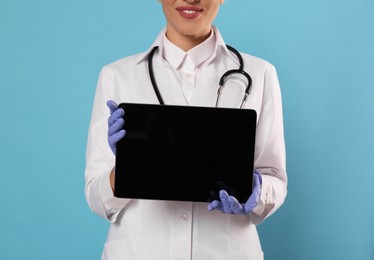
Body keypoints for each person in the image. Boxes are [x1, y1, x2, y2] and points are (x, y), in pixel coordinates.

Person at [85, 0, 287, 259]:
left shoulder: (260, 74)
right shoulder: (117, 76)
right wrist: (127, 167)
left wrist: (256, 191)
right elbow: (96, 198)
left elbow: (275, 180)